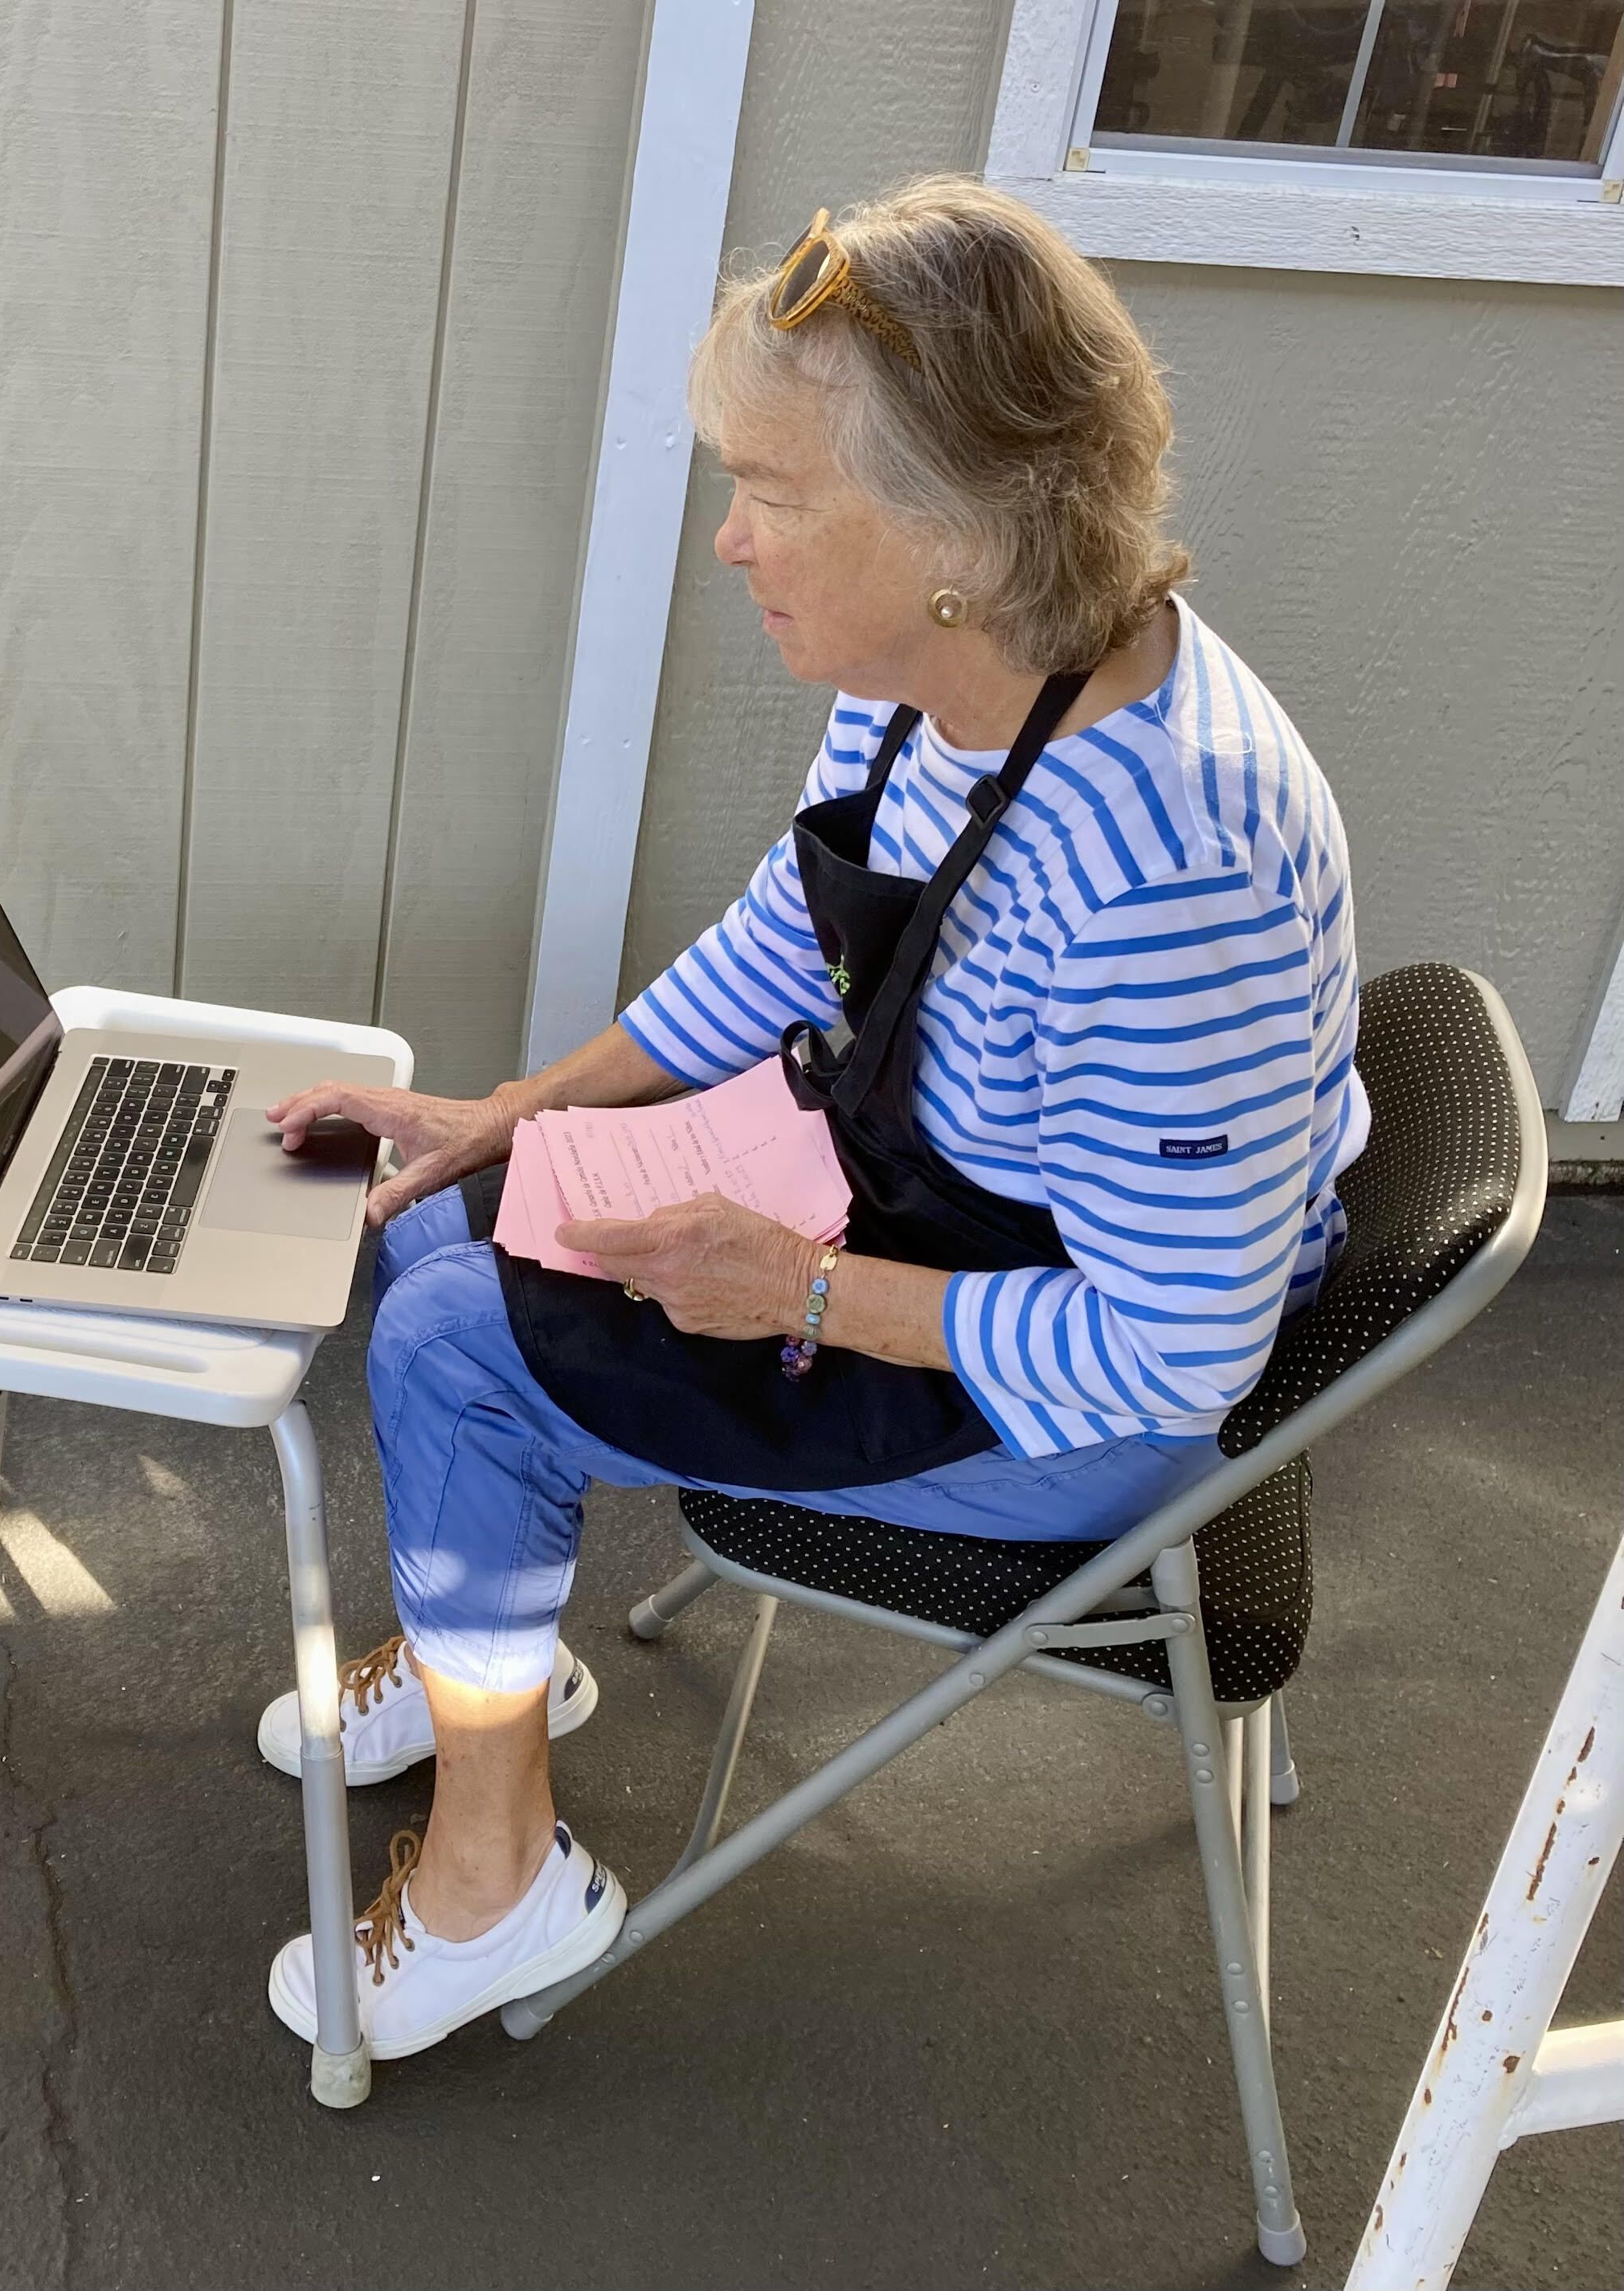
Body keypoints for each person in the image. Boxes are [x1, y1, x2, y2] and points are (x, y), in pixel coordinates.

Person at [257, 177, 1365, 2061]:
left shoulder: (1172, 864)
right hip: (950, 1212)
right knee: (455, 1218)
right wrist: (504, 1114)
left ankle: (496, 1872)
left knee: (450, 1340)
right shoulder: (932, 673)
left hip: (1085, 1404)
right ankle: (480, 1666)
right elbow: (791, 941)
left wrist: (798, 1289)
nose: (726, 538)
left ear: (951, 529)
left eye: (771, 489)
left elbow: (1177, 1355)